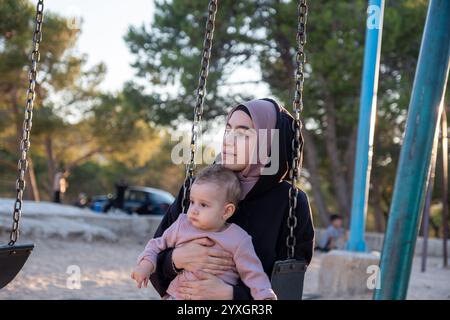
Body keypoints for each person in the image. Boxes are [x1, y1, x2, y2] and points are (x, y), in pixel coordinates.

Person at [149, 98, 315, 300]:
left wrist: (230, 294)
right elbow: (153, 260)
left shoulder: (290, 202)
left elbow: (288, 286)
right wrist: (175, 259)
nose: (228, 140)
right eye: (228, 130)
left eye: (243, 134)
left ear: (268, 143)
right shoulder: (198, 188)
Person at [131, 165, 277, 300]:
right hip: (178, 295)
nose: (193, 210)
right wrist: (145, 265)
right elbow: (155, 245)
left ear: (226, 211)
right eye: (192, 201)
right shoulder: (182, 225)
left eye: (203, 205)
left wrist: (264, 295)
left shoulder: (238, 239)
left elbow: (252, 271)